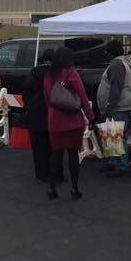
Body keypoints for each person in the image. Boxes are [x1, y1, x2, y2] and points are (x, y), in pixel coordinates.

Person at [43, 48, 94, 200]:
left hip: (54, 121)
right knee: (73, 154)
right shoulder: (72, 74)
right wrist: (91, 117)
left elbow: (48, 99)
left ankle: (52, 189)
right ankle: (74, 188)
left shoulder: (48, 75)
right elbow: (83, 97)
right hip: (72, 121)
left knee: (56, 154)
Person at [96, 40, 131, 177]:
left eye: (107, 51)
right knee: (113, 135)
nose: (106, 54)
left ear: (111, 52)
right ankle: (113, 162)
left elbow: (116, 87)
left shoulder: (117, 64)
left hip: (119, 106)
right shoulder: (125, 62)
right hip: (125, 104)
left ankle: (121, 166)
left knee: (117, 136)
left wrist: (110, 105)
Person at [22, 49, 57, 183]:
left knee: (38, 146)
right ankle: (54, 172)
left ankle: (41, 174)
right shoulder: (56, 74)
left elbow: (26, 92)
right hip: (52, 113)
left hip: (35, 114)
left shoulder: (33, 73)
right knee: (53, 146)